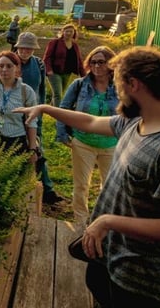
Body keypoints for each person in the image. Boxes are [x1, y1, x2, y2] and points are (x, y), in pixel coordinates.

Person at [15, 47, 160, 307]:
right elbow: (91, 122)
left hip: (141, 279)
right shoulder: (137, 121)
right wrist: (46, 108)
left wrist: (108, 221)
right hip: (110, 257)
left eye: (118, 85)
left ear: (134, 84)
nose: (116, 93)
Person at [56, 46, 119, 224]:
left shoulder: (121, 86)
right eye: (93, 62)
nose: (97, 66)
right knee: (81, 185)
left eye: (101, 62)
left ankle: (102, 221)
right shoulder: (79, 85)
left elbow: (131, 112)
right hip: (83, 142)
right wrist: (62, 133)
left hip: (112, 144)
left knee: (110, 187)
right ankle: (81, 222)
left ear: (111, 64)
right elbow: (64, 108)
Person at [14, 32, 63, 205]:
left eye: (29, 48)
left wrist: (40, 112)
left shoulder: (39, 64)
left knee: (36, 149)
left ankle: (47, 189)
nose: (25, 51)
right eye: (22, 47)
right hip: (14, 114)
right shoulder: (9, 62)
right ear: (17, 47)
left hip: (33, 114)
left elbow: (41, 90)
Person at [43, 23, 85, 106]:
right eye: (67, 31)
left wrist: (84, 75)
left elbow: (79, 60)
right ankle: (58, 112)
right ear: (63, 32)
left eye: (71, 31)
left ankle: (51, 109)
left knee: (59, 93)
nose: (69, 33)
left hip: (67, 73)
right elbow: (47, 57)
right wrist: (49, 70)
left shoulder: (75, 45)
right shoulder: (54, 42)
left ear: (74, 33)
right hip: (54, 72)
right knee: (58, 94)